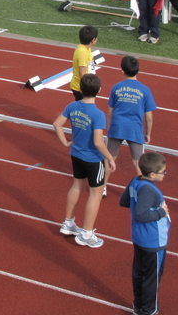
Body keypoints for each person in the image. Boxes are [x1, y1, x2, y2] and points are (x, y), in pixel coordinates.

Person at [53, 74, 117, 248]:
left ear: (80, 89)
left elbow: (57, 123)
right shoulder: (98, 114)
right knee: (95, 194)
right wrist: (109, 157)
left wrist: (65, 142)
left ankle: (68, 223)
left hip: (76, 154)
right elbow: (98, 142)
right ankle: (87, 234)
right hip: (93, 159)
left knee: (76, 186)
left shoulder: (72, 106)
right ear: (99, 91)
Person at [119, 152, 170, 315]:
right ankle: (148, 310)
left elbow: (124, 201)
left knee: (140, 273)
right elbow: (140, 215)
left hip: (139, 237)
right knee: (151, 278)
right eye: (163, 172)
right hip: (153, 241)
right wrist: (160, 213)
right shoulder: (150, 191)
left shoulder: (135, 181)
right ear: (153, 174)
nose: (165, 174)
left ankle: (139, 305)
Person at [103, 56, 157, 195]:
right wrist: (148, 133)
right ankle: (144, 189)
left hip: (117, 126)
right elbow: (149, 117)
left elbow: (110, 112)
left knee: (110, 158)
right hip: (135, 129)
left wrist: (109, 129)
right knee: (139, 162)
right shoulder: (145, 90)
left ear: (122, 71)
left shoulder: (116, 87)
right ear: (138, 70)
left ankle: (102, 187)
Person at [70, 25, 98, 102]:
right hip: (81, 87)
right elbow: (82, 74)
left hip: (83, 86)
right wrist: (91, 88)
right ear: (93, 40)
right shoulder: (83, 53)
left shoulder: (86, 48)